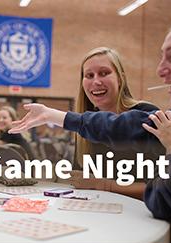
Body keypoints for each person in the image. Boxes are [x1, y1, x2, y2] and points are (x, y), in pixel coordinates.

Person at [9, 12, 171, 243]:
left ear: (121, 78)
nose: (160, 70)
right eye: (89, 75)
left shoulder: (151, 118)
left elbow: (166, 196)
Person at [69, 47, 163, 199]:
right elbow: (81, 181)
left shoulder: (147, 115)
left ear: (120, 79)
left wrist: (105, 185)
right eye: (89, 75)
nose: (96, 81)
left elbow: (163, 188)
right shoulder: (85, 123)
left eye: (104, 73)